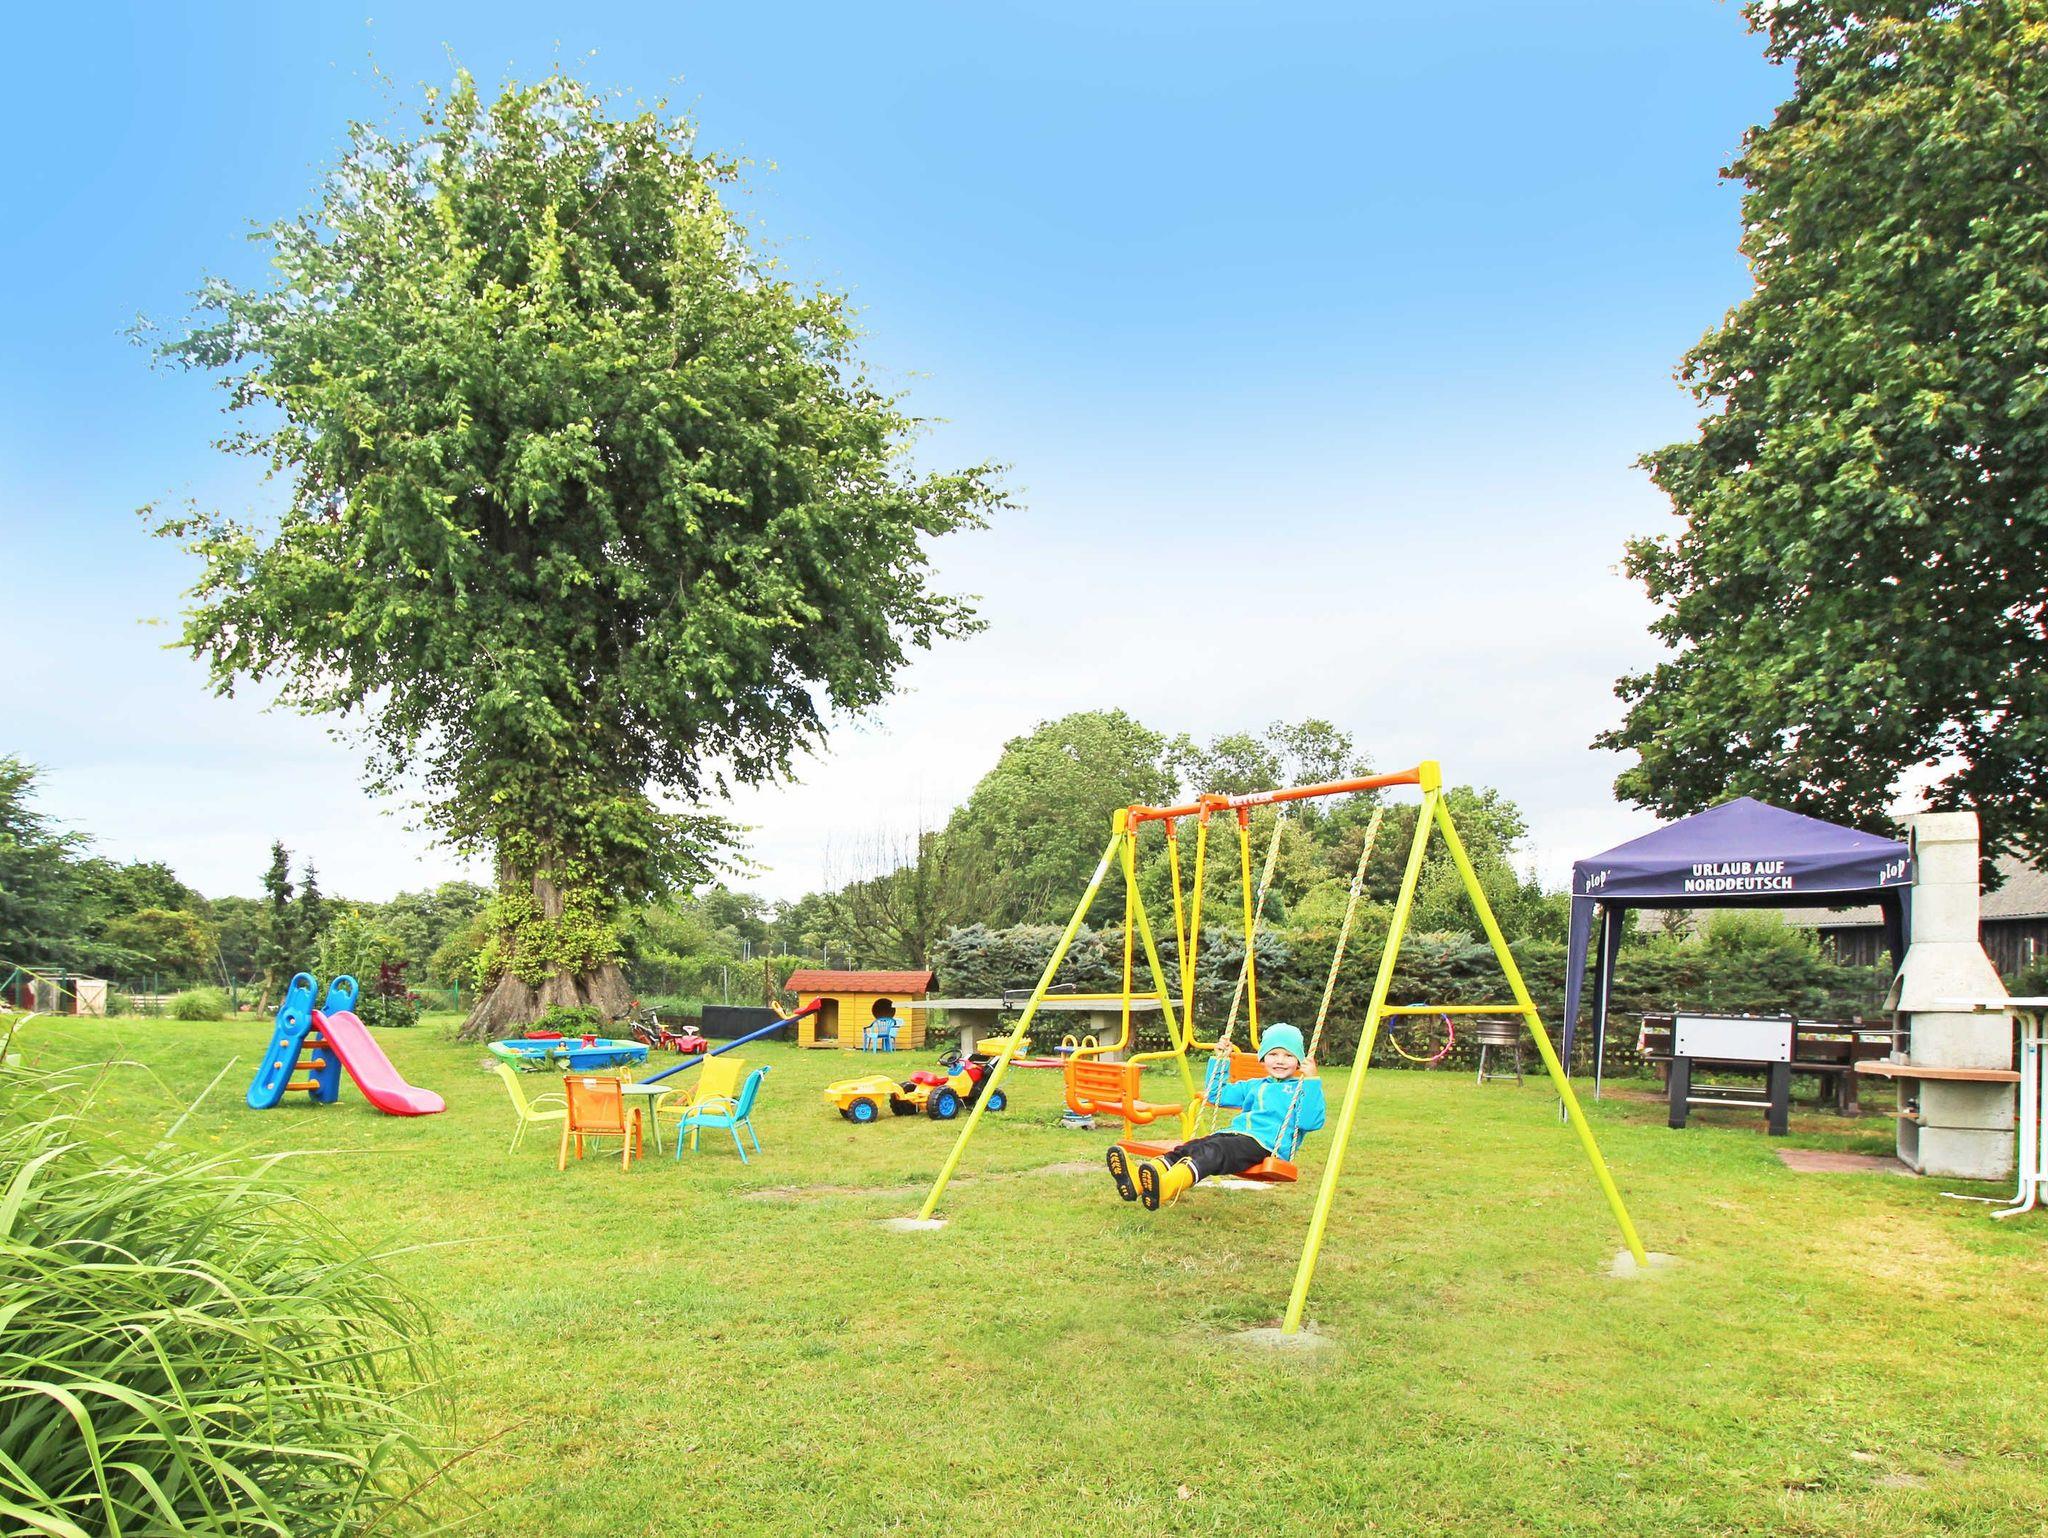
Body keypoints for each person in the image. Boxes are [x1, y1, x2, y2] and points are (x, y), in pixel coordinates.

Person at [1105, 1022, 1327, 1210]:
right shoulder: (1254, 1085)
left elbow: (1310, 1122)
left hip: (1265, 1145)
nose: (1280, 1060)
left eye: (1288, 1055)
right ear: (1263, 1058)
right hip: (1236, 1135)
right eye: (1273, 1054)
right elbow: (1216, 1094)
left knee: (1214, 1152)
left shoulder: (1301, 1089)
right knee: (1190, 1148)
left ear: (1299, 1061)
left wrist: (1312, 1082)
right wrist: (1221, 1060)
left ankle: (1165, 1188)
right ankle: (1137, 1181)